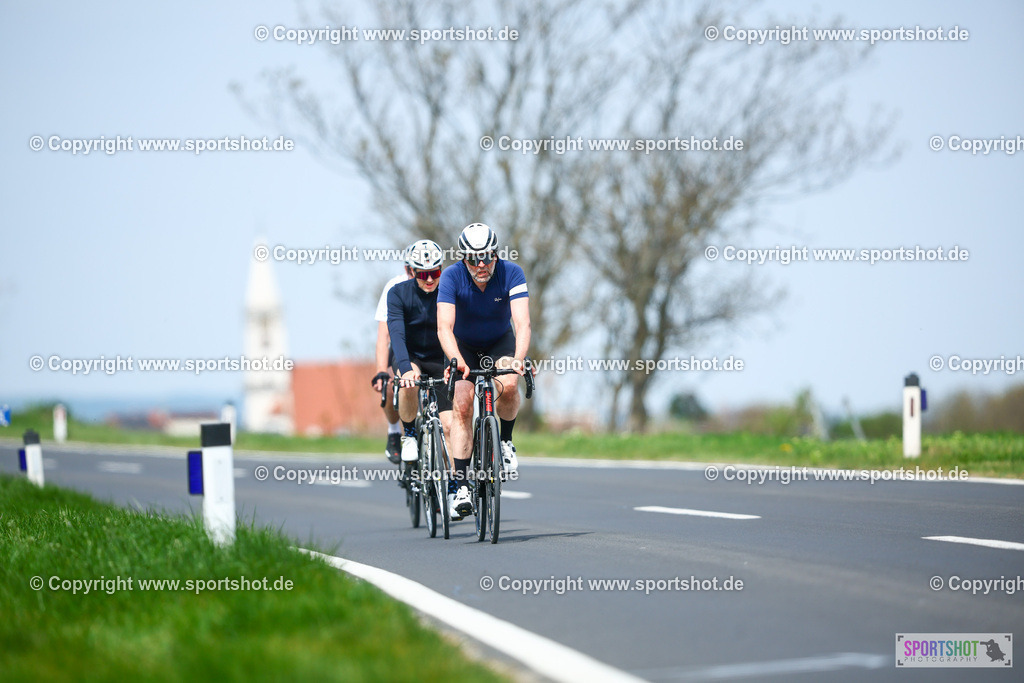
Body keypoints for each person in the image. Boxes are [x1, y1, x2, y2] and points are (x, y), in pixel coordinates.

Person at [437, 223, 530, 518]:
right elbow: (444, 326)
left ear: (496, 253)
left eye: (487, 257)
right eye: (473, 259)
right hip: (462, 346)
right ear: (464, 258)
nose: (481, 265)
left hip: (499, 342)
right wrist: (455, 360)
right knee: (463, 406)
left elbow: (523, 324)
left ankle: (505, 441)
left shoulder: (512, 272)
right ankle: (462, 486)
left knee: (511, 384)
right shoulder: (451, 276)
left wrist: (518, 359)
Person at [386, 240, 454, 477]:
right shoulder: (397, 294)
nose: (429, 280)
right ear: (412, 271)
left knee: (449, 426)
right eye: (423, 274)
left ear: (441, 269)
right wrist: (405, 369)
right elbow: (396, 335)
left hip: (440, 358)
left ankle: (455, 485)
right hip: (409, 355)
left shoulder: (450, 291)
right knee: (410, 382)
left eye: (435, 273)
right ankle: (410, 436)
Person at [371, 247, 415, 463]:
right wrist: (381, 370)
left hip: (429, 347)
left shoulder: (438, 285)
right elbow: (383, 336)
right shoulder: (394, 287)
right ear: (407, 269)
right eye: (415, 270)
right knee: (389, 386)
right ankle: (394, 430)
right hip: (400, 345)